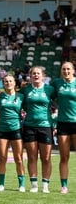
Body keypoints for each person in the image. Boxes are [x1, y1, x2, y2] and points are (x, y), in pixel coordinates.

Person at [21, 65, 54, 193]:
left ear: (43, 76)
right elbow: (22, 104)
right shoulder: (25, 90)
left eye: (38, 73)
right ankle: (34, 185)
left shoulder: (50, 89)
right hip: (29, 126)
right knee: (32, 156)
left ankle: (45, 185)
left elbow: (58, 100)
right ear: (30, 76)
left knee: (46, 157)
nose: (36, 75)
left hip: (46, 126)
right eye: (33, 73)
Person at [0, 74, 25, 192]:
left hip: (16, 129)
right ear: (3, 84)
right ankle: (1, 184)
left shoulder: (21, 96)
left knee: (18, 158)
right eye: (6, 81)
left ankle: (21, 184)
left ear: (14, 83)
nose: (8, 83)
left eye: (10, 81)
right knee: (2, 158)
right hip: (2, 130)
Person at [52, 61, 76, 194]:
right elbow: (46, 93)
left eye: (68, 69)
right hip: (62, 123)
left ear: (73, 70)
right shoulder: (57, 83)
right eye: (64, 69)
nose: (66, 71)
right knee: (64, 156)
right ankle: (64, 186)